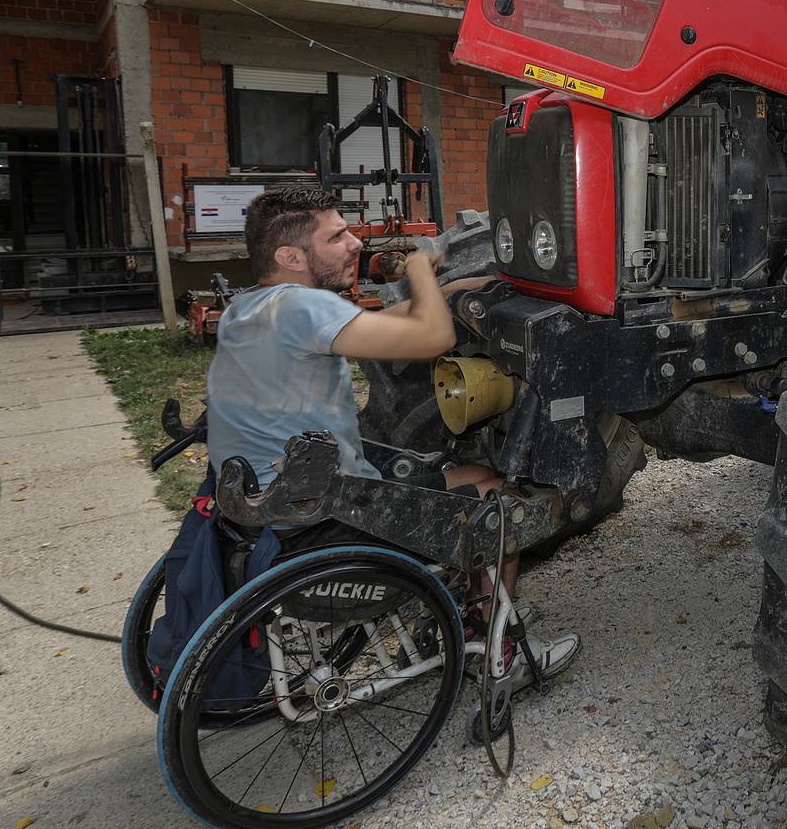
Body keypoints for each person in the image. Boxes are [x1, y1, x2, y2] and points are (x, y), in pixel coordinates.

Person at [204, 183, 578, 688]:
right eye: (337, 236)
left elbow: (367, 326)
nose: (356, 243)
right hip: (334, 521)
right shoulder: (303, 308)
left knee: (476, 476)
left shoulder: (250, 310)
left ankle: (466, 615)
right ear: (291, 255)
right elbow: (436, 338)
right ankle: (498, 653)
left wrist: (441, 295)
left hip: (277, 515)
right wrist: (420, 270)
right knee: (501, 503)